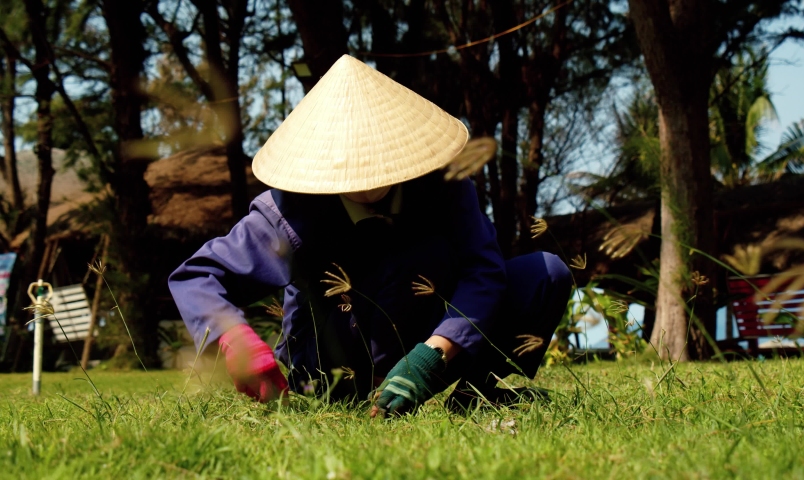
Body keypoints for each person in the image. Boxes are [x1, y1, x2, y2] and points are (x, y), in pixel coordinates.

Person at [168, 55, 572, 417]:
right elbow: (198, 277)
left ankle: (472, 397)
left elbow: (483, 271)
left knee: (545, 273)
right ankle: (360, 397)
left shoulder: (445, 188)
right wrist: (234, 337)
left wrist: (437, 352)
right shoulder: (291, 209)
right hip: (335, 367)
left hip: (428, 336)